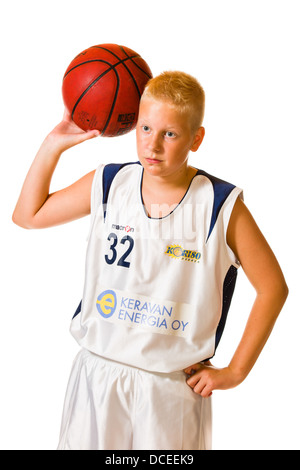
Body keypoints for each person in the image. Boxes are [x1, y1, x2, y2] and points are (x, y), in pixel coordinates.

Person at [12, 71, 288, 450]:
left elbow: (273, 287)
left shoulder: (222, 204)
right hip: (97, 374)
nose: (152, 144)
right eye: (145, 128)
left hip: (169, 388)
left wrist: (236, 371)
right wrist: (53, 143)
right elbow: (28, 215)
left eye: (169, 134)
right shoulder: (110, 183)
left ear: (196, 138)